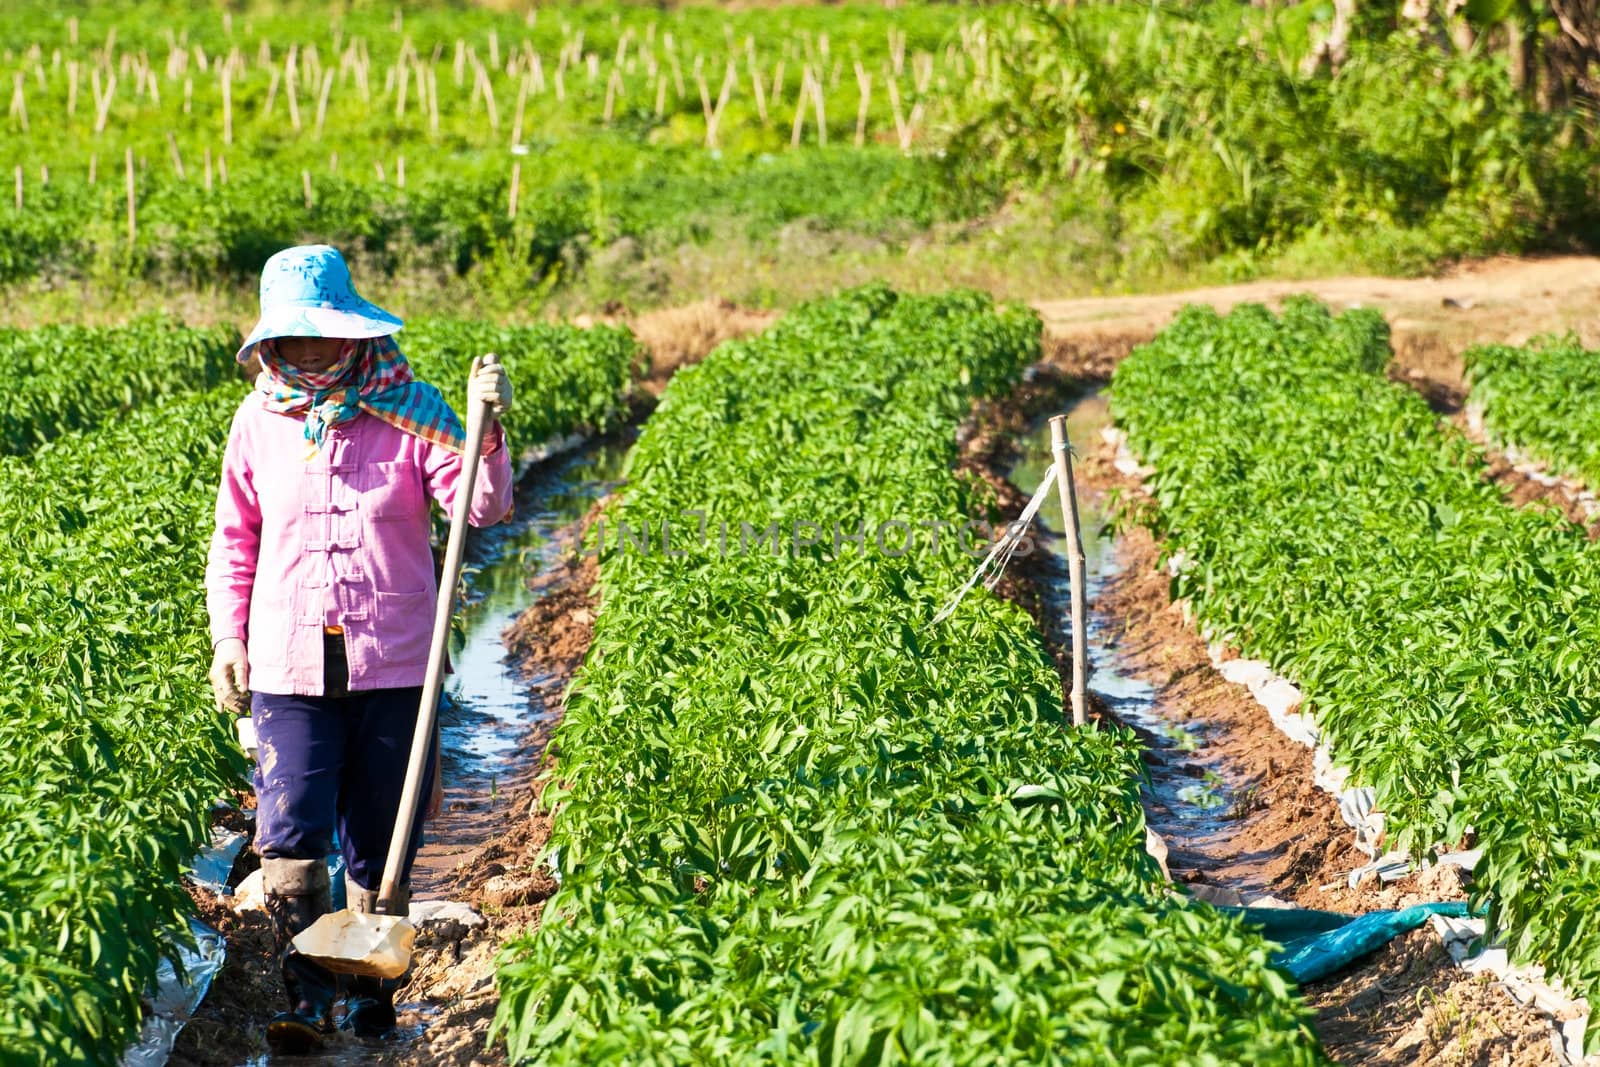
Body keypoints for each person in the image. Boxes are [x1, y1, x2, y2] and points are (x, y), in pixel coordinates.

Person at [204, 244, 515, 1051]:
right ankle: (308, 993)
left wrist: (486, 433)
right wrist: (227, 638)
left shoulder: (410, 409)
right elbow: (235, 541)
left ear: (353, 334)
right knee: (290, 829)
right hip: (288, 663)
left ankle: (373, 985)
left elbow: (481, 508)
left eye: (320, 334)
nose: (306, 351)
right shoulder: (258, 423)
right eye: (292, 337)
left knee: (384, 833)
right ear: (269, 344)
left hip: (396, 660)